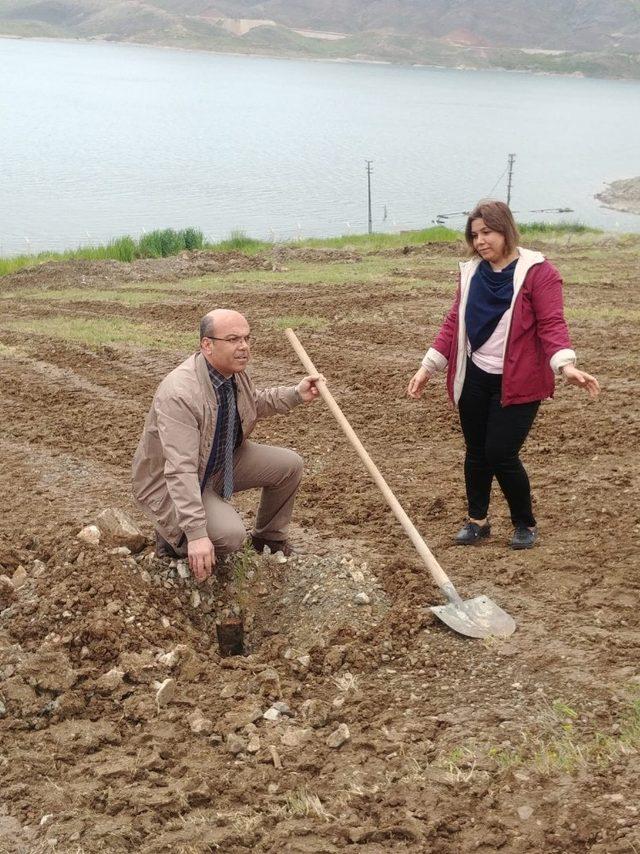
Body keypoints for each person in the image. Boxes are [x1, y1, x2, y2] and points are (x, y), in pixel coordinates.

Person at [407, 200, 600, 549]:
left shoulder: (539, 273)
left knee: (501, 453)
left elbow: (552, 325)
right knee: (476, 452)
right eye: (475, 234)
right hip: (474, 376)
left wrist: (566, 365)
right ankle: (477, 520)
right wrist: (428, 366)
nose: (480, 241)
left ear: (506, 229)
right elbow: (454, 322)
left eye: (488, 232)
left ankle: (525, 523)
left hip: (519, 380)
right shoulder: (471, 272)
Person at [132, 308, 322, 581]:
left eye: (246, 338)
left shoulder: (233, 373)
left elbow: (252, 403)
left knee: (290, 465)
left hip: (220, 462)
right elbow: (180, 469)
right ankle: (173, 540)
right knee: (230, 537)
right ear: (207, 345)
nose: (243, 347)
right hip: (175, 482)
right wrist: (197, 534)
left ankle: (268, 540)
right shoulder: (180, 393)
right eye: (233, 339)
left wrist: (296, 394)